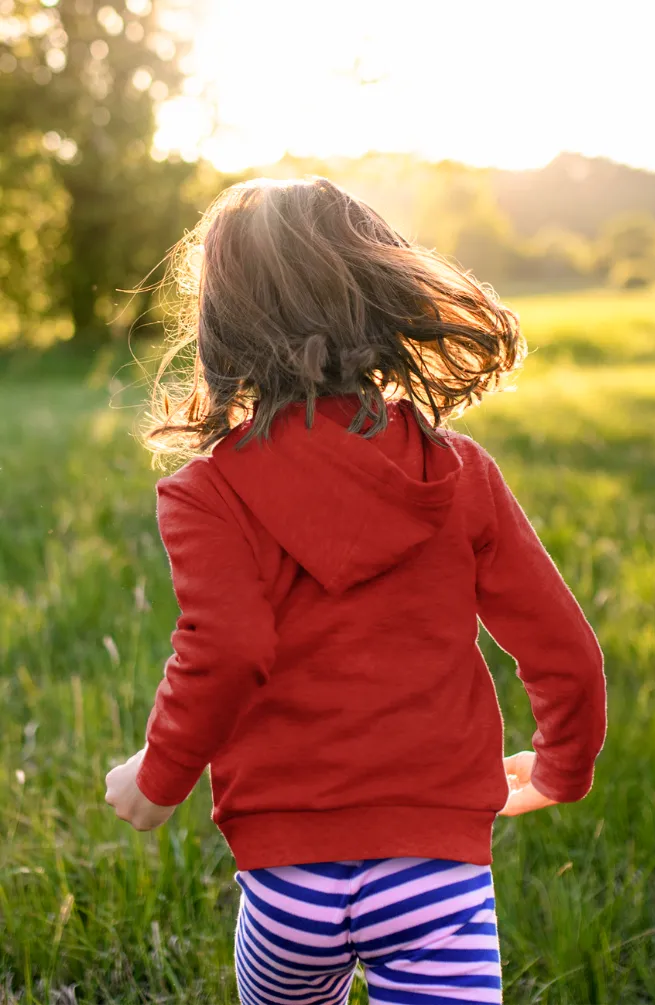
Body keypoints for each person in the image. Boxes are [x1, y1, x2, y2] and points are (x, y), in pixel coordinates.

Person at [105, 176, 608, 1004]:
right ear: (380, 296)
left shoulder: (208, 493)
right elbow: (568, 652)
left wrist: (157, 778)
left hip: (285, 880)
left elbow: (225, 648)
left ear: (222, 328)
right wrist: (561, 768)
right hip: (435, 873)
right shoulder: (457, 472)